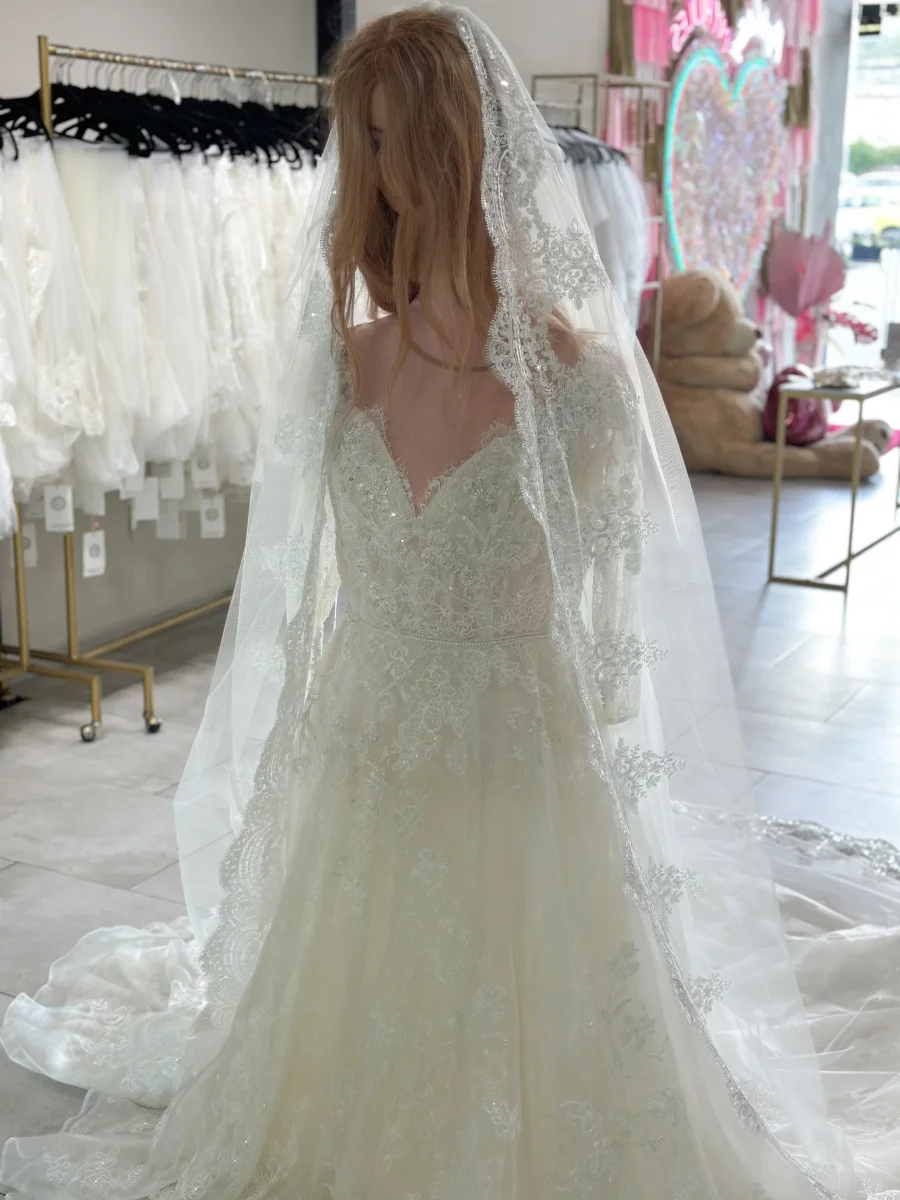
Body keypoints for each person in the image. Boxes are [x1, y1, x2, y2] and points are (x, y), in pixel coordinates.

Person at [2, 6, 900, 1198]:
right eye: (365, 145)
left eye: (397, 145)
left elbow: (611, 611)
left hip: (518, 748)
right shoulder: (347, 362)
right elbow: (300, 582)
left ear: (468, 151)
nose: (379, 182)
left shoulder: (582, 387)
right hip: (367, 737)